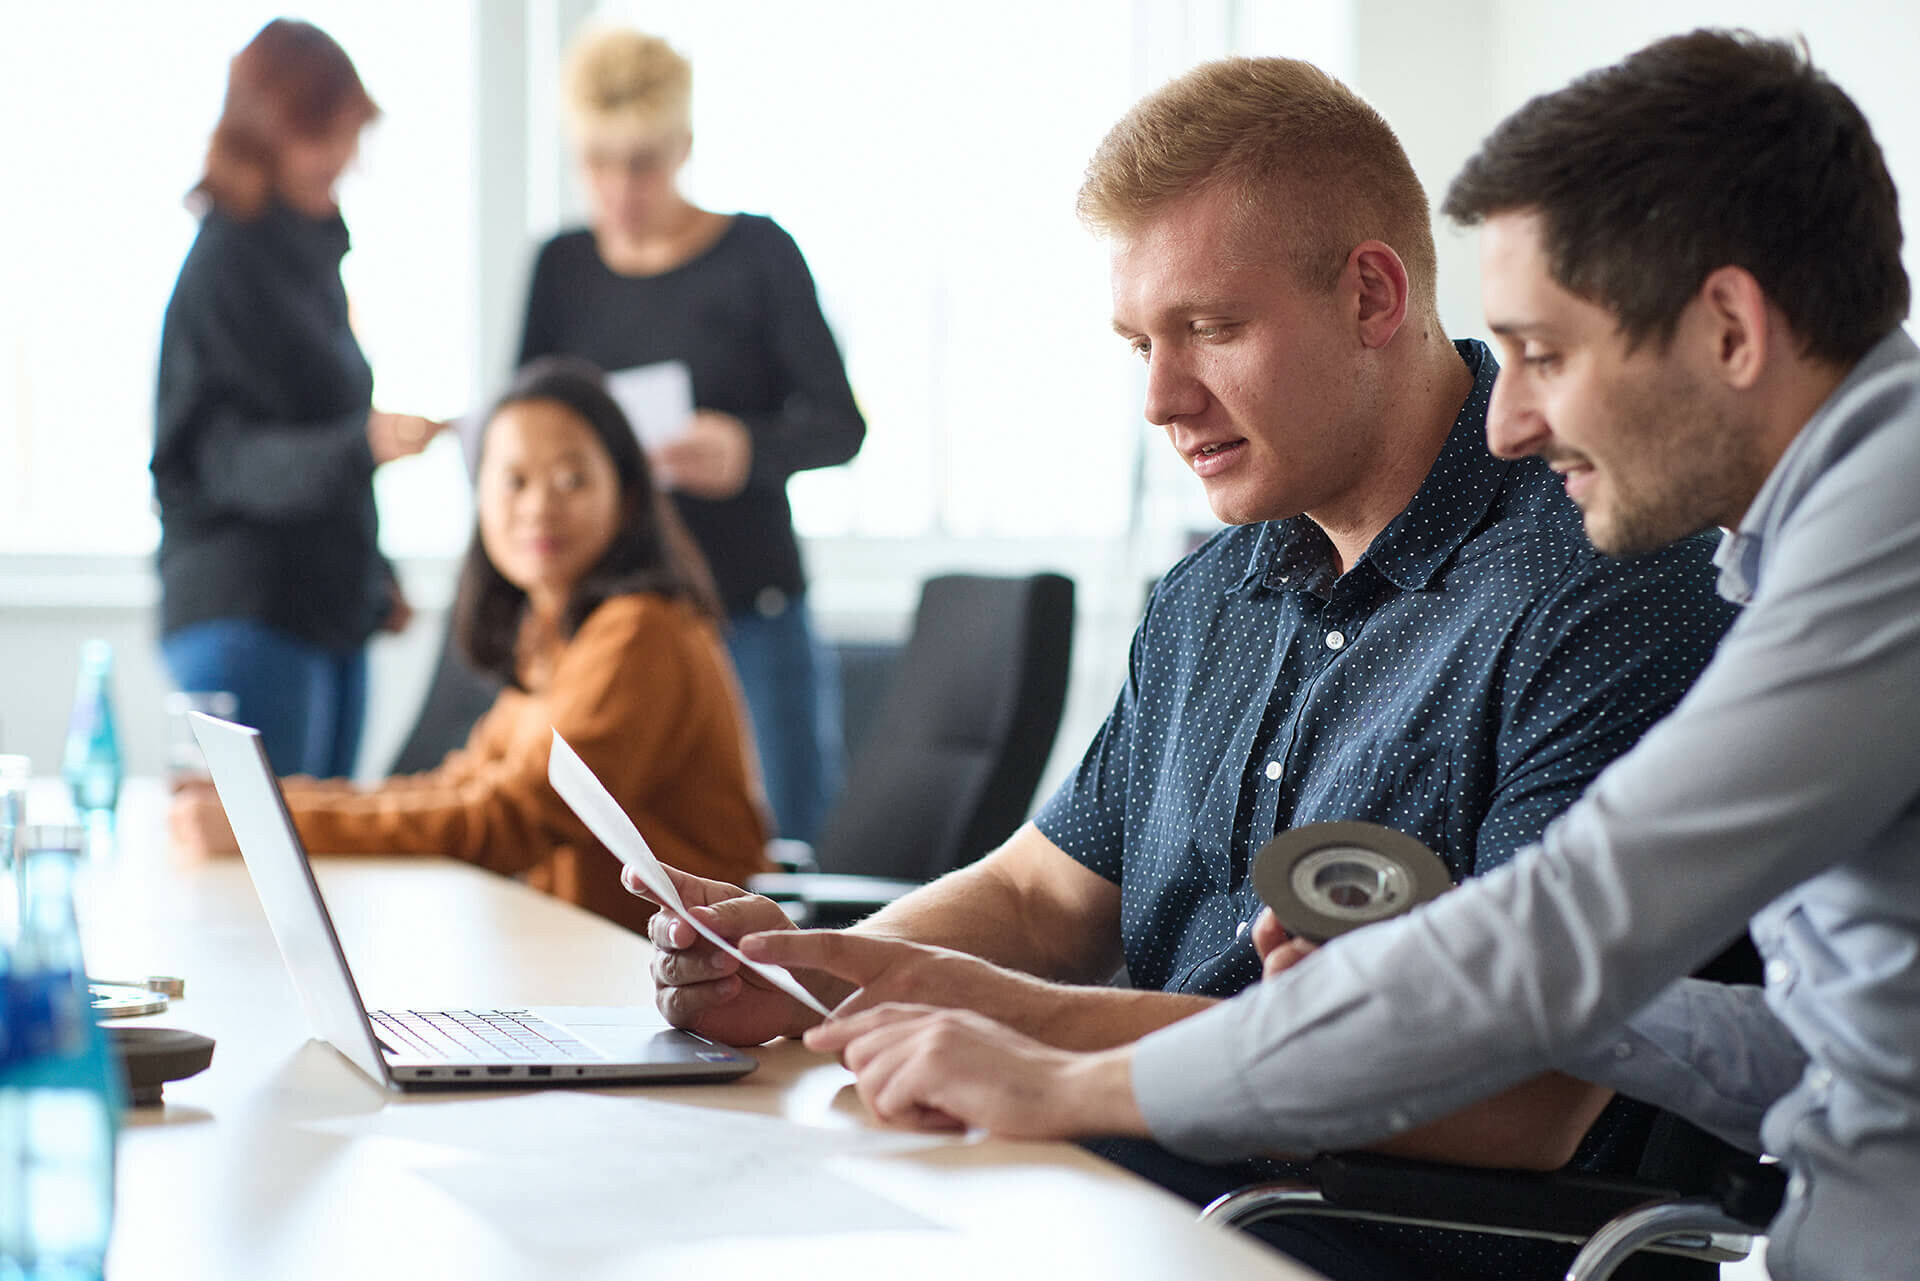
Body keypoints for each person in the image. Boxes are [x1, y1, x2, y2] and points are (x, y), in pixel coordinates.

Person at [794, 30, 1920, 1281]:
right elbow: (1820, 1046)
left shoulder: (1876, 545)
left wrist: (1074, 1072)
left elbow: (1542, 960)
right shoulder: (1817, 543)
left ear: (1727, 328)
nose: (1510, 416)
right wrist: (820, 979)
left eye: (1544, 353)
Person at [170, 358, 772, 934]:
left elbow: (506, 821)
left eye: (572, 479)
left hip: (663, 980)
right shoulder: (553, 631)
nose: (538, 506)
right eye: (514, 480)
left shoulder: (642, 631)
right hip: (577, 957)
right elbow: (458, 787)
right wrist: (267, 803)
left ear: (629, 495)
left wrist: (271, 824)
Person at [516, 26, 865, 843]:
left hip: (749, 606)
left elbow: (839, 426)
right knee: (603, 845)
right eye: (597, 163)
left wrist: (746, 450)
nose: (618, 187)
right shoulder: (559, 266)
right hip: (605, 612)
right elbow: (524, 429)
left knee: (780, 844)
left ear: (684, 147)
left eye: (640, 162)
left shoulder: (757, 253)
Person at [152, 18, 446, 777]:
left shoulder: (307, 266)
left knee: (322, 857)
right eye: (324, 137)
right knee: (270, 867)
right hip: (249, 611)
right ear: (268, 133)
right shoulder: (227, 266)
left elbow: (315, 431)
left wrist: (374, 578)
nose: (341, 159)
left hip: (324, 613)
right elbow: (220, 459)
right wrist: (364, 442)